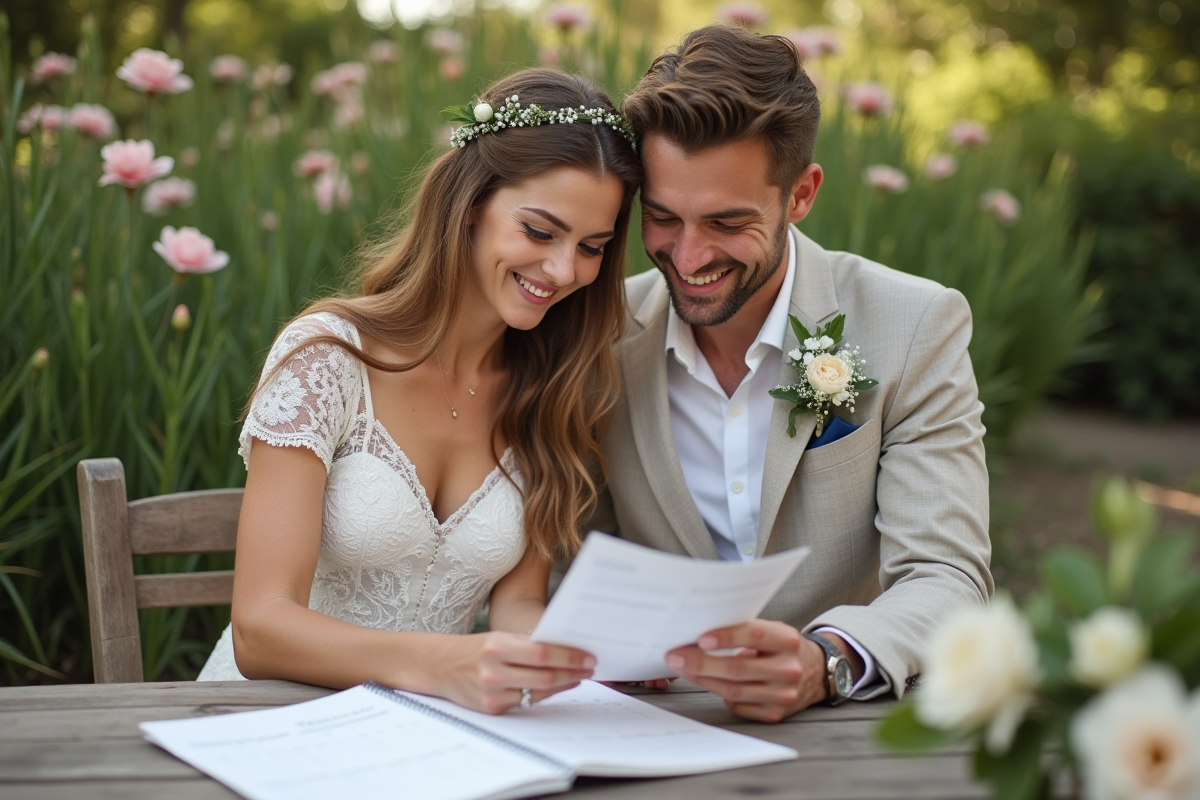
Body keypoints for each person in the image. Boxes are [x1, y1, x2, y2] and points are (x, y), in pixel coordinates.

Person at [196, 67, 642, 715]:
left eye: (593, 247)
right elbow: (260, 629)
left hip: (429, 733)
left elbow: (516, 604)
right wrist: (441, 662)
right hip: (265, 714)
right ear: (469, 206)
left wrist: (588, 662)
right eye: (541, 232)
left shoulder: (554, 388)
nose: (563, 270)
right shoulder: (327, 357)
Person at [588, 25, 993, 721]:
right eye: (662, 218)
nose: (687, 256)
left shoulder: (916, 325)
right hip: (644, 726)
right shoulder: (597, 336)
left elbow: (947, 574)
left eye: (725, 222)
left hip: (851, 722)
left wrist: (826, 660)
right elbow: (567, 549)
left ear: (801, 195)